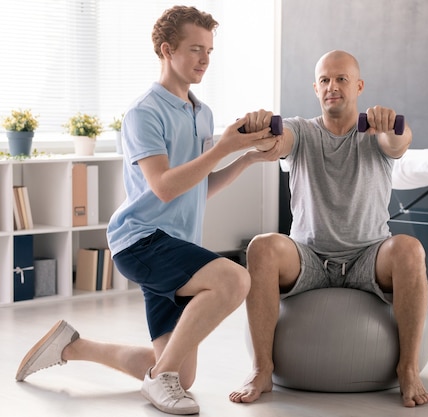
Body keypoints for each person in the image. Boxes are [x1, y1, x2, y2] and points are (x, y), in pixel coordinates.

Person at [15, 6, 281, 415]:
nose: (205, 60)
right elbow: (163, 185)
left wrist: (244, 158)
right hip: (140, 240)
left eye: (209, 50)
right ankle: (159, 383)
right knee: (234, 280)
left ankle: (71, 345)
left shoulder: (202, 112)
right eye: (195, 49)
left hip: (175, 244)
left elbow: (197, 187)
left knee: (180, 374)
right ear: (166, 50)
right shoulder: (144, 112)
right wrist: (227, 147)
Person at [229, 50, 428, 408]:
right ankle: (262, 369)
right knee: (261, 246)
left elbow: (398, 143)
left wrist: (390, 127)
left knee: (409, 248)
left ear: (359, 86)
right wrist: (262, 132)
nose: (332, 87)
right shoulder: (302, 131)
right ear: (315, 88)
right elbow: (278, 143)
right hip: (308, 255)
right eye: (324, 80)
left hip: (368, 254)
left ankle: (408, 369)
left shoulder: (376, 131)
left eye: (341, 79)